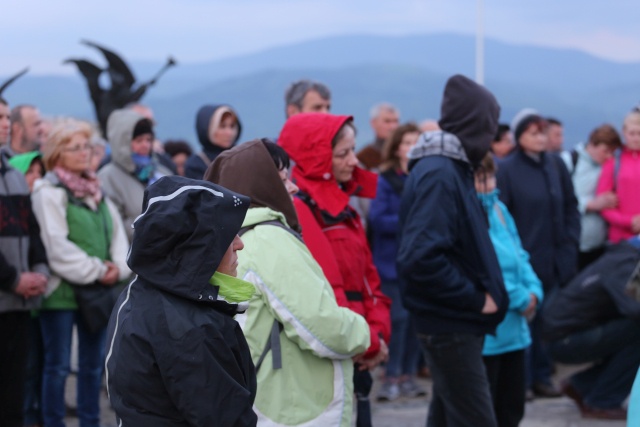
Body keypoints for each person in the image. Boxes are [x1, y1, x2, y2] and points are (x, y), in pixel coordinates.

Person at [205, 139, 370, 426]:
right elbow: (322, 325)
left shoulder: (229, 238)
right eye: (282, 180)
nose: (293, 188)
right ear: (261, 187)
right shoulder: (269, 239)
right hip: (296, 407)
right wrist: (364, 333)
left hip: (261, 400)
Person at [396, 74, 508, 427]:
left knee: (447, 419)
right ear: (475, 125)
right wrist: (476, 298)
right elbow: (421, 258)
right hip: (450, 325)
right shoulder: (440, 173)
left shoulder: (452, 168)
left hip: (454, 324)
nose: (491, 138)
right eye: (488, 126)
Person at [105, 175, 258, 427]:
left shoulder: (143, 290)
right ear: (195, 247)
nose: (240, 244)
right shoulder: (189, 327)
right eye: (228, 235)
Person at [279, 113, 391, 427]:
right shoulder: (300, 210)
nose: (355, 161)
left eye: (353, 150)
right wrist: (367, 342)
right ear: (315, 158)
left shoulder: (344, 208)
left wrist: (378, 333)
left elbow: (370, 282)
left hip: (357, 345)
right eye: (343, 153)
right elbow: (327, 291)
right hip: (334, 354)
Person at [31, 119, 131, 427]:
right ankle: (53, 422)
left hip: (97, 294)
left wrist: (118, 268)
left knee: (91, 366)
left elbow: (117, 237)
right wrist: (101, 270)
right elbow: (56, 247)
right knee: (58, 367)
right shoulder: (48, 192)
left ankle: (91, 422)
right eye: (76, 148)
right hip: (60, 294)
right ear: (58, 153)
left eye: (86, 146)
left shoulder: (95, 192)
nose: (84, 153)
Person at [496, 108, 580, 398]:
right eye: (533, 133)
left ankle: (543, 376)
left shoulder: (555, 165)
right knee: (524, 321)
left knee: (548, 322)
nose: (540, 138)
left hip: (555, 259)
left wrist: (569, 248)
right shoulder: (506, 168)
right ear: (520, 137)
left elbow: (571, 207)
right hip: (523, 260)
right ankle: (523, 381)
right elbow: (502, 215)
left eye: (542, 132)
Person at [475, 153, 544, 427]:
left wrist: (535, 290)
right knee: (488, 407)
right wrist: (519, 297)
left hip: (516, 328)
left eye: (492, 176)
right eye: (482, 178)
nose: (489, 183)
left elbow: (519, 254)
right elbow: (489, 266)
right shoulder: (471, 214)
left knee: (513, 405)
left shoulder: (500, 210)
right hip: (492, 331)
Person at [542, 240, 640, 420]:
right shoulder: (626, 262)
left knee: (631, 334)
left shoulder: (627, 256)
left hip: (568, 333)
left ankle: (583, 385)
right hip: (563, 339)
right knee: (637, 333)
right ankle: (603, 401)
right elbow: (634, 308)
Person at [368, 123, 425, 401]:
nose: (412, 147)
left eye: (417, 141)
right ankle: (391, 375)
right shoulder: (385, 179)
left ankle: (408, 375)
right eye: (407, 142)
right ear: (397, 147)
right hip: (391, 263)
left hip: (420, 261)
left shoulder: (426, 176)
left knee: (416, 321)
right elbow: (378, 219)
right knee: (398, 320)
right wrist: (411, 220)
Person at [0, 135, 49, 427]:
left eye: (5, 117)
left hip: (18, 305)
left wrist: (40, 271)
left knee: (13, 399)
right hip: (10, 290)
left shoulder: (15, 177)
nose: (3, 124)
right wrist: (14, 279)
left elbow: (31, 229)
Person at [98, 108, 173, 242]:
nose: (145, 145)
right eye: (138, 140)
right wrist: (156, 229)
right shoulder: (108, 177)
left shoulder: (161, 172)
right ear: (123, 143)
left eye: (148, 139)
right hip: (135, 255)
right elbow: (114, 223)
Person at [561, 124, 622, 269]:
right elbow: (559, 199)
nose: (608, 156)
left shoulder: (611, 167)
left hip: (599, 244)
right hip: (572, 244)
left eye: (612, 153)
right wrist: (590, 204)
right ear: (592, 144)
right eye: (605, 151)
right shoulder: (569, 161)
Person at [596, 110, 640, 243]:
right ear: (624, 133)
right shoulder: (614, 162)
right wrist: (629, 221)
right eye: (632, 133)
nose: (636, 138)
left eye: (639, 133)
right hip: (620, 240)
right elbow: (603, 202)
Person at [184, 104, 241, 179]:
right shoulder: (196, 165)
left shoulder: (242, 157)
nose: (229, 133)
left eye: (232, 126)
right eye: (222, 126)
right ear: (208, 129)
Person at [356, 103, 400, 170]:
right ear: (373, 123)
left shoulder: (403, 152)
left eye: (396, 121)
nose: (393, 126)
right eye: (387, 121)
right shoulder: (364, 157)